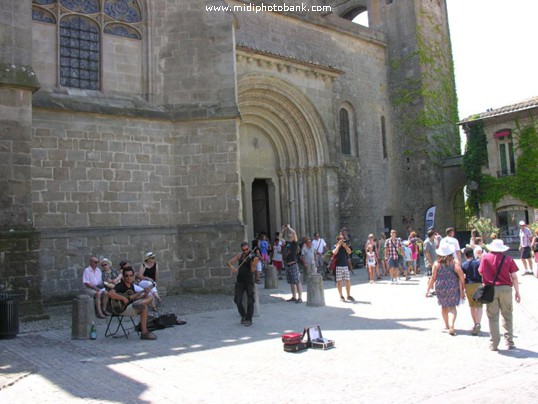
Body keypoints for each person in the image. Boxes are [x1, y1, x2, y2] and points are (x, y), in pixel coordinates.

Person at [478, 238, 521, 351]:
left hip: (491, 289)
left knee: (492, 316)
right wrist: (517, 291)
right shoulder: (508, 259)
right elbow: (514, 276)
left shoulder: (485, 257)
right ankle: (509, 341)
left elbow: (480, 271)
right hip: (506, 288)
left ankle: (494, 344)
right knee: (507, 315)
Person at [426, 239, 465, 336]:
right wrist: (463, 288)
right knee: (452, 307)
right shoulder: (454, 262)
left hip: (440, 286)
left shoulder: (436, 263)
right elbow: (460, 274)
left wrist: (428, 289)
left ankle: (446, 325)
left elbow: (433, 278)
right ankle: (452, 325)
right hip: (452, 285)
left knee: (444, 306)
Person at [108, 266, 157, 340]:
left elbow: (135, 298)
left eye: (131, 275)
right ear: (123, 277)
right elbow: (110, 294)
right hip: (122, 308)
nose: (129, 277)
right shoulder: (120, 285)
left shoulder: (131, 286)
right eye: (126, 276)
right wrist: (122, 298)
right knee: (144, 307)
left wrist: (145, 294)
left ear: (133, 276)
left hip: (131, 305)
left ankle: (139, 305)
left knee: (150, 297)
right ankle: (144, 333)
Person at [227, 241, 258, 326]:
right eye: (243, 250)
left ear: (249, 248)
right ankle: (243, 315)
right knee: (237, 300)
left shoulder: (252, 257)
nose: (245, 251)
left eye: (247, 249)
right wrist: (232, 267)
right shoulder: (239, 255)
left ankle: (249, 319)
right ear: (241, 249)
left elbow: (252, 270)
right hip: (240, 280)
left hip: (249, 281)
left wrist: (253, 264)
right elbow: (229, 262)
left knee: (250, 300)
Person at [461, 247, 483, 335]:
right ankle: (478, 323)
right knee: (479, 305)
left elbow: (462, 277)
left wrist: (462, 290)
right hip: (478, 284)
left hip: (468, 285)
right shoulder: (478, 263)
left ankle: (475, 323)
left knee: (472, 306)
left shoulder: (464, 265)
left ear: (465, 255)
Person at [281, 225, 303, 303]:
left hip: (293, 264)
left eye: (291, 236)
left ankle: (300, 298)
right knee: (291, 282)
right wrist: (283, 230)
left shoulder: (295, 243)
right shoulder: (288, 243)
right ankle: (294, 296)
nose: (289, 236)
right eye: (289, 236)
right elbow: (280, 238)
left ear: (293, 237)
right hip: (288, 265)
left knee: (297, 281)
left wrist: (288, 227)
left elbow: (294, 233)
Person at [333, 233, 354, 301]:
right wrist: (338, 246)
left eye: (343, 239)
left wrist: (345, 246)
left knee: (348, 281)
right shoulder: (336, 246)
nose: (342, 240)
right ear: (338, 240)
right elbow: (334, 252)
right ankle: (341, 295)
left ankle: (348, 295)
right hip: (338, 266)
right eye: (341, 239)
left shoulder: (345, 246)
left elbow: (350, 252)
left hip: (345, 265)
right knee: (339, 282)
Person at [423, 230, 437, 296]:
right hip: (429, 262)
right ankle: (429, 290)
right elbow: (427, 253)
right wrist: (431, 262)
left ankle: (432, 289)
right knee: (430, 276)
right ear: (431, 235)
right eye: (434, 234)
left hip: (434, 261)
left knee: (433, 276)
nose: (435, 236)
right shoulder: (427, 242)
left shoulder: (433, 241)